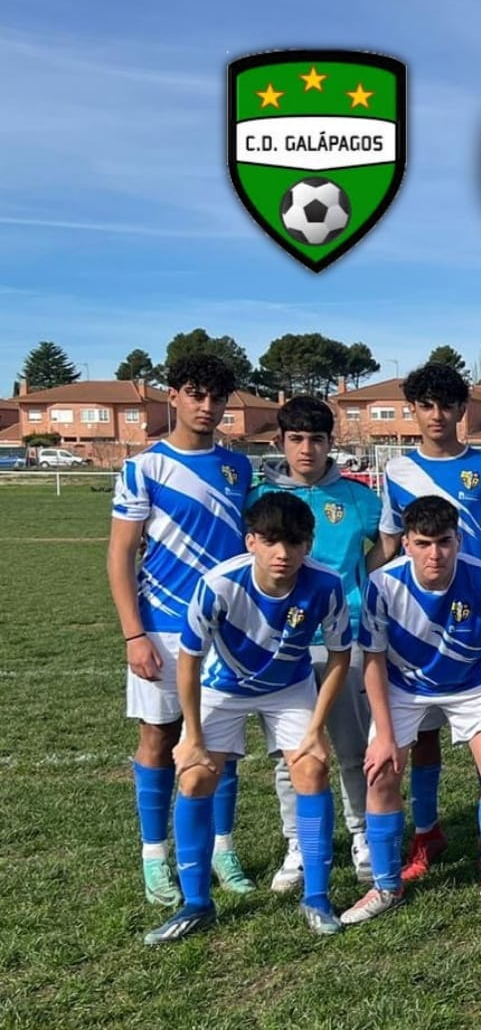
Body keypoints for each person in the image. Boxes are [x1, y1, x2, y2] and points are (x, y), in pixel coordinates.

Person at [143, 492, 352, 943]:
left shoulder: (326, 584)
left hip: (290, 687)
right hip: (224, 687)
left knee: (312, 769)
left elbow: (339, 655)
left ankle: (317, 897)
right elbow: (189, 660)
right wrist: (191, 734)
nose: (283, 553)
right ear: (251, 541)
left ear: (308, 544)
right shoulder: (219, 584)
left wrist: (316, 729)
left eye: (294, 542)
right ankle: (197, 903)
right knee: (195, 776)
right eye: (271, 541)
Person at [341, 496, 481, 924]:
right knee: (380, 772)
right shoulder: (383, 584)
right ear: (405, 543)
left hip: (471, 684)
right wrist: (384, 735)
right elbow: (373, 660)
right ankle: (385, 885)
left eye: (444, 542)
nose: (435, 554)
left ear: (458, 540)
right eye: (423, 543)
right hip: (404, 687)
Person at [109, 353, 253, 907]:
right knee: (158, 736)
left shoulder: (239, 469)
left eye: (216, 398)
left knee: (223, 744)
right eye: (195, 394)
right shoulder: (144, 468)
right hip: (163, 628)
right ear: (173, 397)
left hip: (227, 630)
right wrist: (134, 635)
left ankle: (221, 848)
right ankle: (154, 855)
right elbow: (121, 555)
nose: (206, 406)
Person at [375, 363, 481, 882]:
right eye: (426, 405)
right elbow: (390, 541)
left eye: (447, 405)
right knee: (422, 738)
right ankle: (426, 831)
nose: (437, 415)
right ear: (413, 409)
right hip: (415, 624)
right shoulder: (396, 470)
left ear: (461, 410)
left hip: (469, 619)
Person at [249, 397, 385, 893]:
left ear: (331, 442)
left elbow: (389, 540)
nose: (307, 449)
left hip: (345, 638)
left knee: (353, 748)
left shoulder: (357, 497)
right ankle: (299, 845)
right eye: (296, 439)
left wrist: (360, 578)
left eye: (317, 439)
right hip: (281, 645)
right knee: (292, 754)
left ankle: (362, 835)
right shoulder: (259, 496)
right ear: (280, 442)